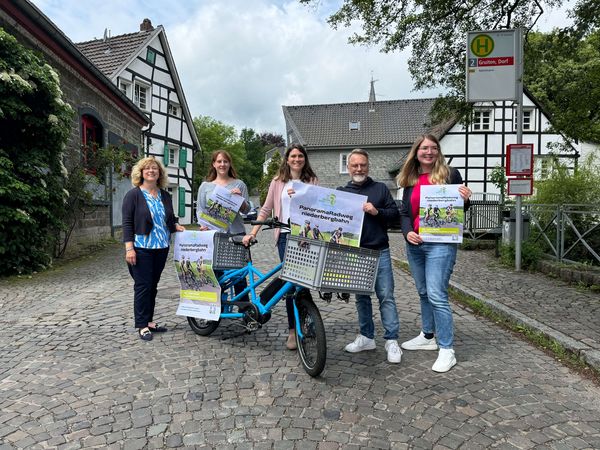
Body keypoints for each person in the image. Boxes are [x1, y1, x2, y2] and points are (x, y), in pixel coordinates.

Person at [397, 134, 472, 373]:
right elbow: (405, 213)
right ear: (416, 152)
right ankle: (428, 336)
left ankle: (447, 349)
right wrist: (407, 232)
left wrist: (465, 198)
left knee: (437, 294)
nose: (429, 152)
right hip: (416, 243)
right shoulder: (409, 178)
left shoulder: (451, 174)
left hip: (441, 243)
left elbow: (459, 209)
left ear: (438, 151)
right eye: (424, 148)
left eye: (433, 148)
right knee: (422, 292)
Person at [242, 143, 318, 350]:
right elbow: (266, 209)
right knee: (292, 283)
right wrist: (253, 232)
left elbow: (319, 208)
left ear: (305, 159)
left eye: (300, 156)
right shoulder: (278, 181)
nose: (296, 159)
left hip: (306, 237)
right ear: (287, 159)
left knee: (303, 282)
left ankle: (307, 321)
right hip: (285, 235)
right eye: (293, 156)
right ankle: (293, 331)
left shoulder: (311, 180)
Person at [338, 148, 402, 364]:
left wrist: (377, 212)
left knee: (386, 296)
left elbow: (395, 215)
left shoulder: (380, 189)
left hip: (380, 250)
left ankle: (392, 340)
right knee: (361, 298)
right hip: (356, 252)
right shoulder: (341, 192)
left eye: (362, 165)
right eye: (354, 165)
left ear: (368, 166)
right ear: (348, 168)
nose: (359, 168)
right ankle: (366, 337)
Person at [122, 156, 185, 342]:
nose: (151, 171)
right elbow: (127, 223)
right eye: (147, 168)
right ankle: (141, 325)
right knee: (142, 286)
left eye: (155, 169)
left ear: (160, 174)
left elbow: (169, 219)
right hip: (142, 248)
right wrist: (129, 249)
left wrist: (176, 226)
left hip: (161, 247)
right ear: (141, 173)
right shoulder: (133, 195)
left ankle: (148, 321)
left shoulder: (165, 195)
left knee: (153, 286)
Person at [197, 150, 250, 301]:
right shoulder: (205, 186)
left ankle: (244, 308)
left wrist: (240, 199)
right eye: (219, 161)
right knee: (216, 273)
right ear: (213, 164)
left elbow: (246, 211)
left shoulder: (239, 184)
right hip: (214, 235)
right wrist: (203, 225)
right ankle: (216, 309)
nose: (222, 164)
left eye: (225, 161)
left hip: (236, 234)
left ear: (229, 164)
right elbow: (200, 210)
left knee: (239, 274)